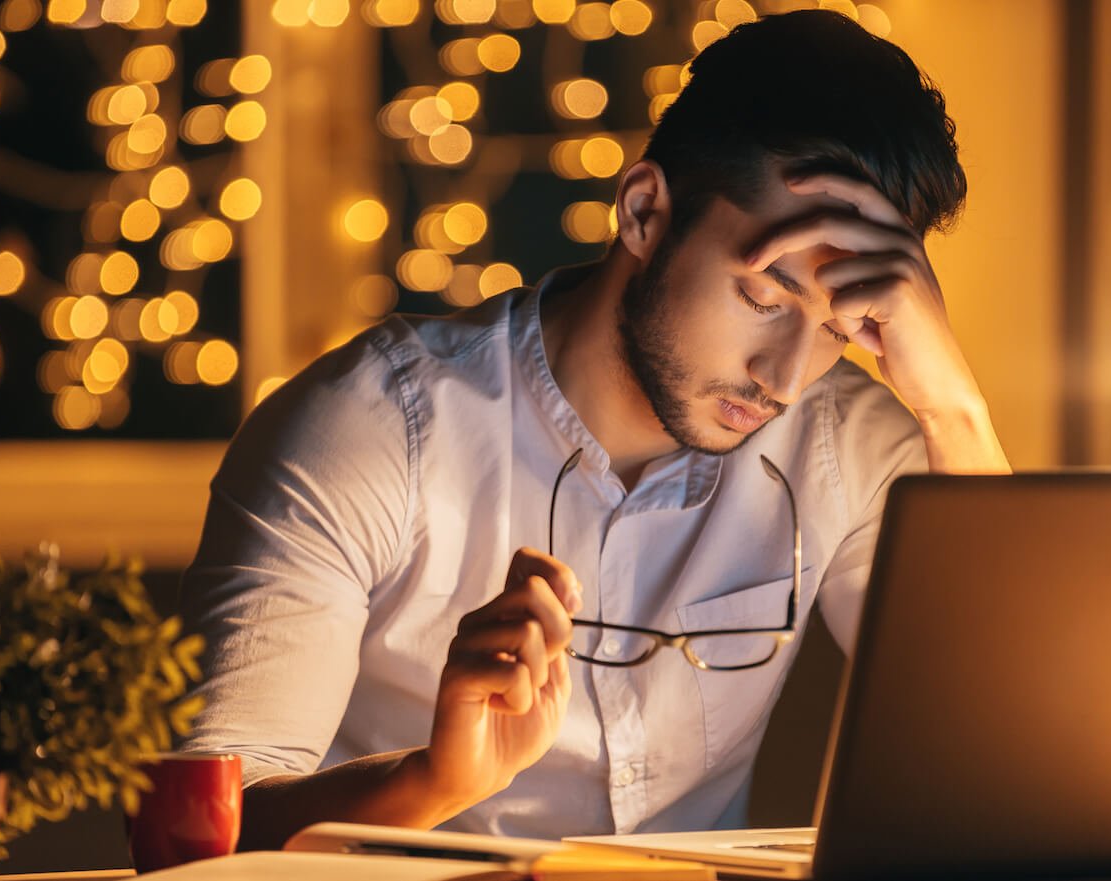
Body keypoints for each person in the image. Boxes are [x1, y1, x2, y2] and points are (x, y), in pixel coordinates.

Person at [179, 8, 1010, 851]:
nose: (785, 378)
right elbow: (197, 835)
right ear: (645, 211)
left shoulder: (847, 442)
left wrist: (956, 410)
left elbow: (1005, 749)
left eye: (838, 326)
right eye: (764, 299)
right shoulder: (370, 423)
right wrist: (435, 779)